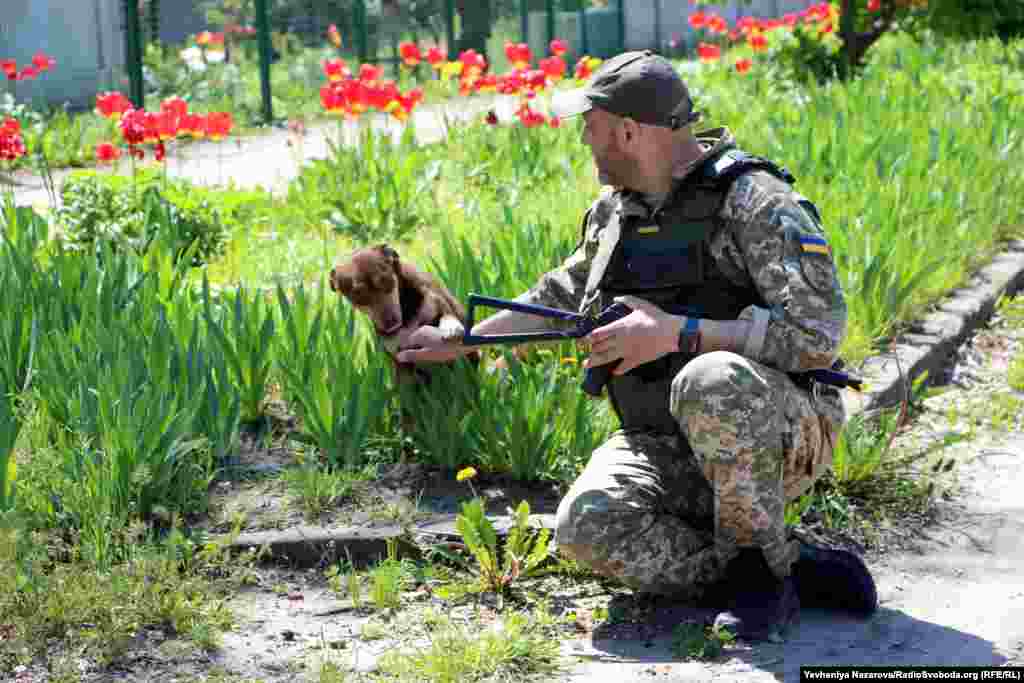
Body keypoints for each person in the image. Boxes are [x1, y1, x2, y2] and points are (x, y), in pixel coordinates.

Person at [397, 50, 877, 641]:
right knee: (585, 526)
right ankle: (782, 565)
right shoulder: (616, 211)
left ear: (628, 130)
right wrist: (465, 341)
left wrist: (679, 333)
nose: (584, 143)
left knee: (712, 378)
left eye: (590, 128)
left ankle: (759, 583)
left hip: (782, 434)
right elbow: (565, 293)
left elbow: (817, 338)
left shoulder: (753, 201)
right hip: (664, 438)